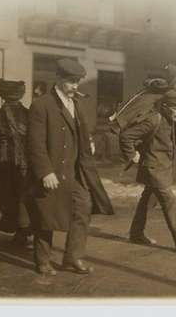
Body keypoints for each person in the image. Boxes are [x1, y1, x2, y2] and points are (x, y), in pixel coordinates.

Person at [28, 58, 113, 276]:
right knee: (47, 216)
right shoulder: (41, 104)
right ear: (59, 79)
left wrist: (88, 143)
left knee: (83, 208)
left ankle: (72, 258)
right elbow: (34, 143)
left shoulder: (75, 104)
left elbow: (78, 133)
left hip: (74, 172)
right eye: (71, 81)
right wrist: (45, 171)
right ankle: (43, 260)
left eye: (77, 81)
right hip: (52, 171)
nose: (75, 86)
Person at [119, 92, 176, 252]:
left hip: (164, 168)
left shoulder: (173, 119)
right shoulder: (154, 119)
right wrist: (132, 155)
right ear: (166, 107)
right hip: (153, 168)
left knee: (147, 200)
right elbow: (126, 136)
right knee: (169, 200)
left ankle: (136, 233)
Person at [0, 78, 33, 248]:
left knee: (5, 195)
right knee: (24, 197)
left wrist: (4, 150)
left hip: (4, 164)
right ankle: (24, 231)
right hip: (26, 164)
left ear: (2, 95)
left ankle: (18, 230)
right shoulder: (30, 115)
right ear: (21, 95)